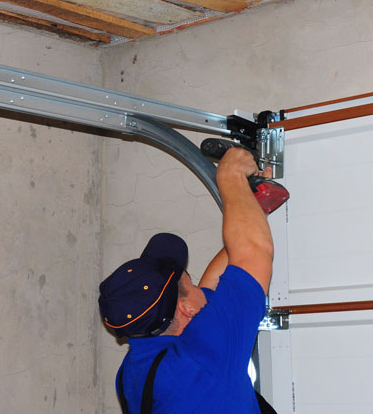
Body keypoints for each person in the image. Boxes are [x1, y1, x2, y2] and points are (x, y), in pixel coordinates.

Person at [98, 147, 277, 414]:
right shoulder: (202, 358)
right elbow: (254, 252)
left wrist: (251, 210)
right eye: (190, 282)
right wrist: (231, 176)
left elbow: (220, 282)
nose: (199, 286)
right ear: (186, 309)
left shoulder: (134, 370)